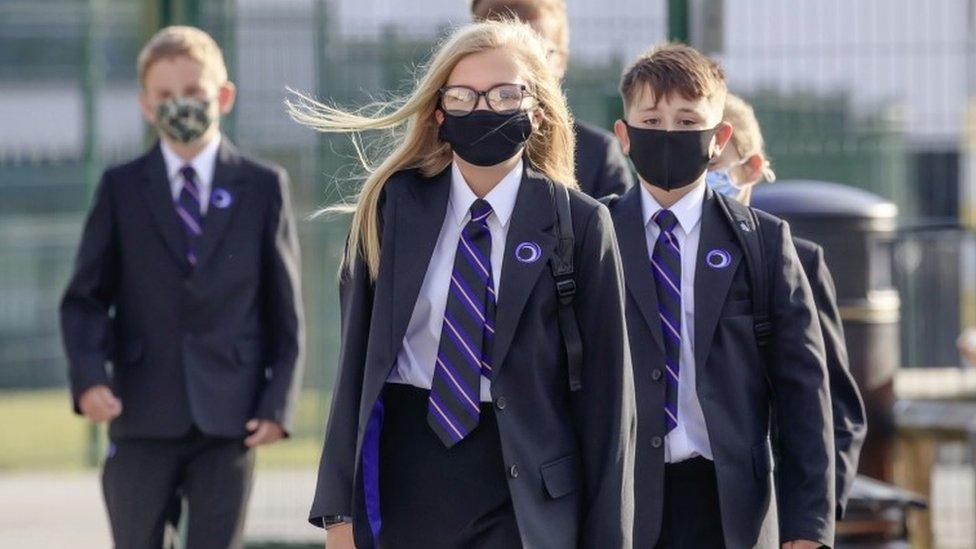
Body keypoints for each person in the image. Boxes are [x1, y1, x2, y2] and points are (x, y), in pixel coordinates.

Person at [292, 18, 635, 549]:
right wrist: (339, 512)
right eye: (463, 96)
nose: (483, 109)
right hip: (409, 477)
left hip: (528, 492)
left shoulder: (581, 223)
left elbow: (611, 402)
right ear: (439, 111)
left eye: (504, 95)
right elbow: (356, 368)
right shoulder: (392, 207)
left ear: (537, 113)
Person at [60, 25, 304, 549]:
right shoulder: (121, 188)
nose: (181, 106)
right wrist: (88, 379)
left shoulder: (263, 188)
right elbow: (84, 299)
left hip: (230, 417)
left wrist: (276, 401)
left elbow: (284, 309)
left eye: (194, 93)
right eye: (166, 96)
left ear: (224, 96)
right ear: (147, 106)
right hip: (141, 412)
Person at [606, 43, 835, 548]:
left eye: (689, 121)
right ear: (624, 135)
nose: (669, 133)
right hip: (620, 503)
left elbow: (803, 391)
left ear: (718, 139)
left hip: (732, 508)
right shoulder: (591, 237)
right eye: (652, 118)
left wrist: (808, 525)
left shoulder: (763, 242)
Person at [708, 92, 867, 520]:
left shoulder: (798, 261)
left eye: (712, 167)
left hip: (771, 509)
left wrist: (814, 518)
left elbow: (837, 410)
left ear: (752, 168)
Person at [471, 0, 635, 199]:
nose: (523, 69)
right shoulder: (449, 144)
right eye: (506, 55)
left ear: (562, 61)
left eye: (539, 53)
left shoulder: (598, 153)